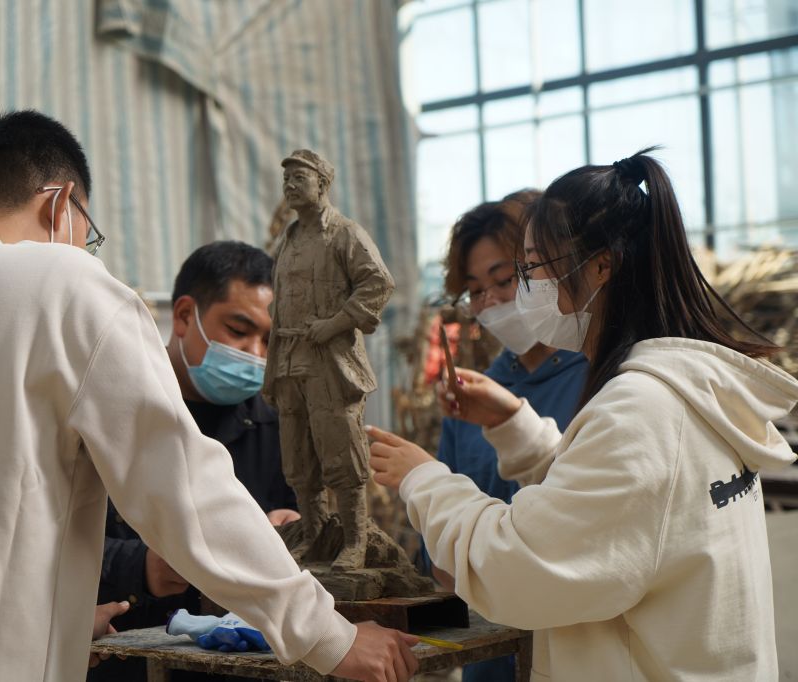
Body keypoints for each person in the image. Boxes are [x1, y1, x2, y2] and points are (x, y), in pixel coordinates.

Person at [0, 111, 418, 682]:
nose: (86, 250)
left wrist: (50, 609)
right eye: (88, 232)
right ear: (62, 204)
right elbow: (184, 489)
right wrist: (329, 637)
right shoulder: (66, 282)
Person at [366, 148, 798, 680]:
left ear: (599, 266)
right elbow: (615, 508)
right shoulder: (687, 391)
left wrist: (423, 480)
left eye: (530, 270)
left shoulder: (639, 411)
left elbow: (522, 567)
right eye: (480, 289)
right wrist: (515, 428)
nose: (519, 293)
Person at [89, 240, 298, 681]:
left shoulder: (278, 428)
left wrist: (295, 534)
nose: (255, 355)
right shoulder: (113, 411)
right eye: (239, 330)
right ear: (185, 316)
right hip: (125, 660)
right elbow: (51, 539)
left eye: (268, 340)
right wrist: (142, 566)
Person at [431, 190, 588, 682]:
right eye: (475, 291)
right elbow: (443, 543)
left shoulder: (603, 379)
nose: (491, 302)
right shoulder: (470, 398)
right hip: (490, 650)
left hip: (579, 640)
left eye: (503, 280)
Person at [263, 149, 395, 570]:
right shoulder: (288, 239)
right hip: (289, 360)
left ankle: (355, 542)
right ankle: (315, 537)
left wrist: (335, 323)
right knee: (299, 460)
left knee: (342, 456)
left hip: (330, 364)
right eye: (286, 179)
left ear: (322, 183)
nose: (289, 185)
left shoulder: (345, 233)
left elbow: (378, 283)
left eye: (299, 178)